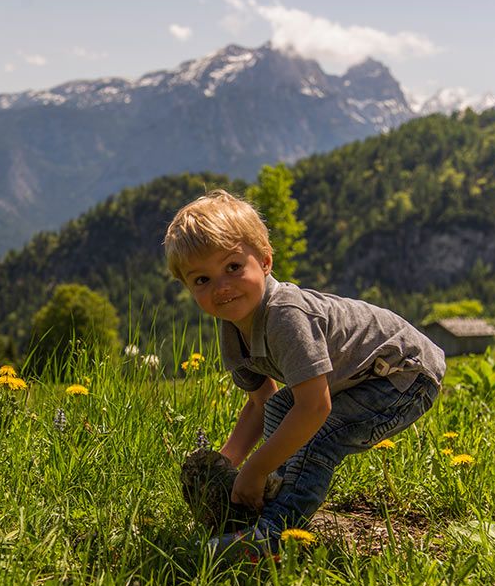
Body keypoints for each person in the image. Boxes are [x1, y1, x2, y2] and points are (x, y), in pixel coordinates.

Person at [163, 189, 445, 555]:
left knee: (319, 436)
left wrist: (255, 470)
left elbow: (315, 408)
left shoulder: (285, 316)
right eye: (202, 280)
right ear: (187, 287)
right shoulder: (233, 327)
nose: (222, 287)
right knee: (282, 410)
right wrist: (226, 467)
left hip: (403, 374)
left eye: (233, 267)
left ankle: (272, 535)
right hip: (363, 377)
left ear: (265, 261)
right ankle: (266, 500)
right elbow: (261, 403)